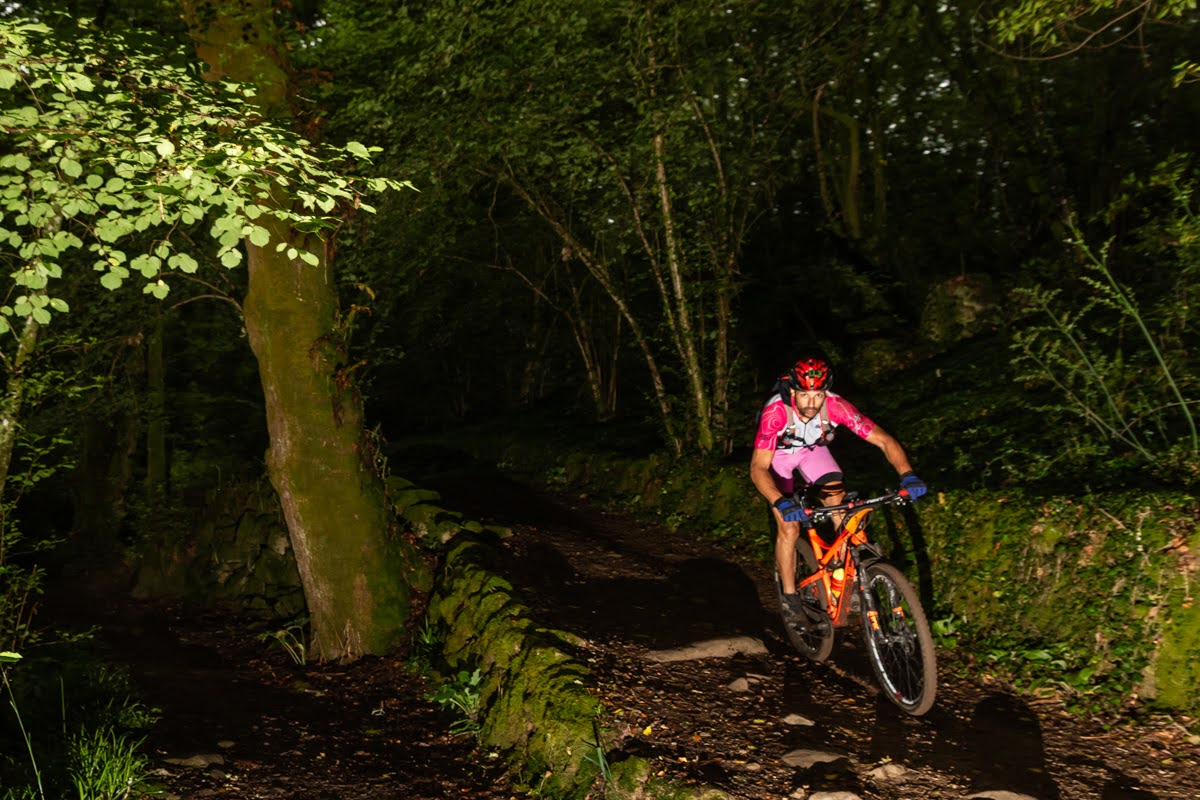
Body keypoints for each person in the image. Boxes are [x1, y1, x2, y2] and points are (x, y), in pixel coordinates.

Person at [749, 357, 926, 624]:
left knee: (840, 503)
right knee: (789, 528)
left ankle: (842, 576)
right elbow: (758, 468)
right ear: (793, 392)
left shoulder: (836, 405)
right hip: (779, 459)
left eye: (818, 395)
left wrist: (907, 474)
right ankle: (790, 597)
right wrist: (779, 501)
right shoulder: (776, 413)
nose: (812, 402)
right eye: (805, 395)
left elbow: (883, 440)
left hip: (812, 452)